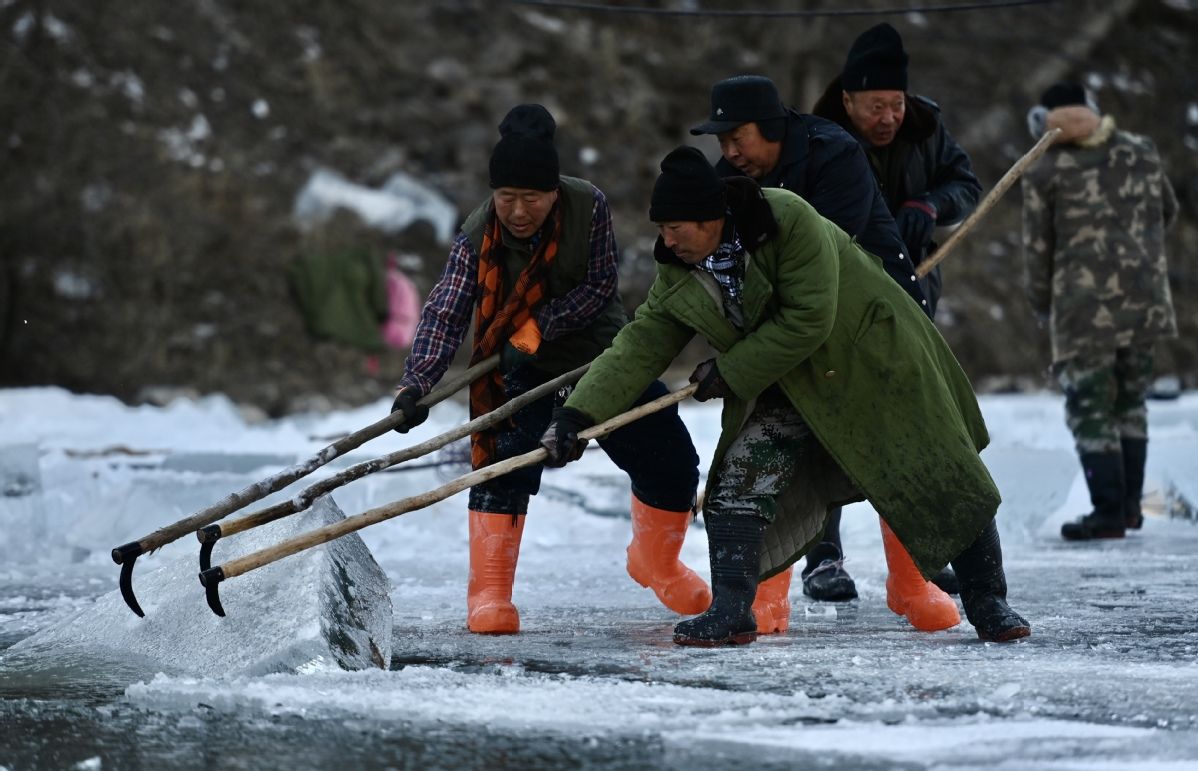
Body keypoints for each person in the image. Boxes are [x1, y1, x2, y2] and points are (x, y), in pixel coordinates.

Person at [540, 146, 1031, 647]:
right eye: (661, 228)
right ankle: (732, 609)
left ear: (713, 217)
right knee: (736, 485)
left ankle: (987, 598)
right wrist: (579, 413)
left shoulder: (787, 219)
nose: (666, 240)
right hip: (787, 386)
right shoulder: (679, 272)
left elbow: (808, 318)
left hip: (871, 365)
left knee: (938, 472)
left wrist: (729, 372)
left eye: (677, 228)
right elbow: (639, 346)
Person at [392, 105, 710, 634]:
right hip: (520, 365)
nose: (517, 211)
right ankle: (490, 593)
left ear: (554, 193)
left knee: (670, 457)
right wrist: (415, 385)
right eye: (506, 197)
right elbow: (446, 309)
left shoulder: (589, 206)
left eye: (531, 198)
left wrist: (542, 324)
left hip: (602, 354)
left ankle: (656, 562)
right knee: (506, 459)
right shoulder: (478, 235)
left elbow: (600, 285)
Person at [688, 74, 959, 634]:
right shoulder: (730, 179)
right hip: (790, 338)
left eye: (738, 138)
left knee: (901, 458)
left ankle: (913, 585)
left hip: (872, 329)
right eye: (722, 141)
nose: (730, 152)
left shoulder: (835, 153)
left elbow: (818, 261)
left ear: (772, 128)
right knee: (773, 458)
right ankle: (767, 599)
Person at [812, 21, 981, 595]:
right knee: (825, 425)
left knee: (911, 424)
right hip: (837, 303)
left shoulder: (927, 128)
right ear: (847, 99)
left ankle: (919, 556)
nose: (888, 118)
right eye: (876, 105)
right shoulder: (819, 137)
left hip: (911, 294)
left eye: (897, 104)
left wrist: (930, 205)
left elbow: (965, 182)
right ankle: (822, 558)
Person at [1021, 83, 1179, 541]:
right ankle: (1129, 508)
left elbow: (1037, 250)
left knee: (1091, 407)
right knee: (1131, 403)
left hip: (1082, 309)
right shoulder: (1140, 151)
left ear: (1046, 119)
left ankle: (1108, 512)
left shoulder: (1045, 166)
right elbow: (1166, 210)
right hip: (1144, 300)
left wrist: (1041, 305)